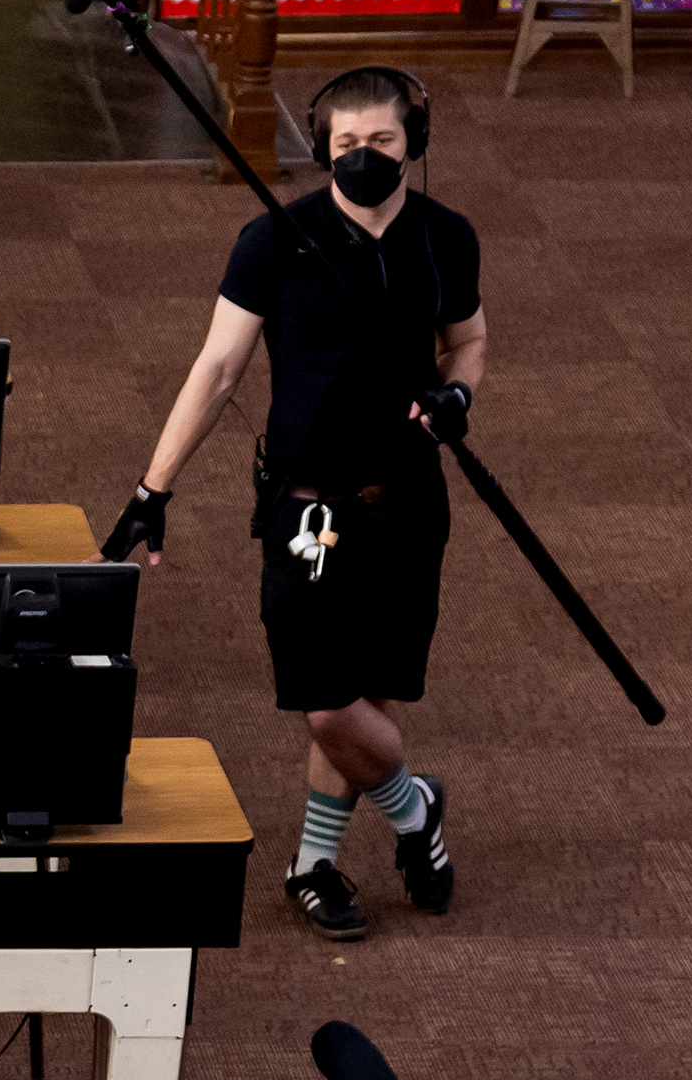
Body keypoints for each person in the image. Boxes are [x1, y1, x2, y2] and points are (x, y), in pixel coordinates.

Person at [108, 67, 481, 947]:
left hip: (408, 505)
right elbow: (218, 369)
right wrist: (152, 486)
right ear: (323, 150)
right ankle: (412, 808)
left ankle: (312, 865)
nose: (363, 160)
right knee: (326, 701)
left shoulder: (446, 238)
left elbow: (467, 338)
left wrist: (459, 395)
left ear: (414, 143)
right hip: (306, 509)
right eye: (346, 145)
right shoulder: (274, 240)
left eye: (382, 143)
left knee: (370, 696)